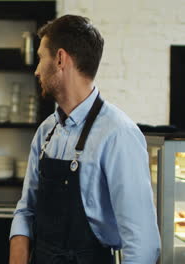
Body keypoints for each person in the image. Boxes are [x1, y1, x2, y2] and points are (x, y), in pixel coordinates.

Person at [9, 15, 160, 264]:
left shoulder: (118, 134)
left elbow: (142, 243)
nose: (36, 70)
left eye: (40, 58)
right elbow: (26, 209)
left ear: (59, 59)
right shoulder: (46, 131)